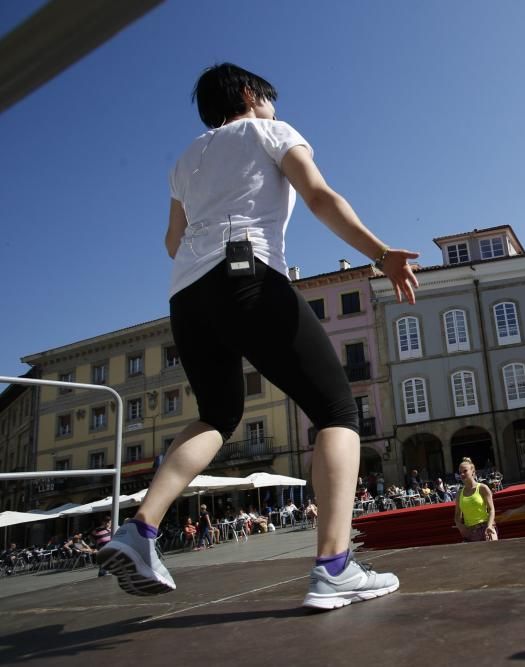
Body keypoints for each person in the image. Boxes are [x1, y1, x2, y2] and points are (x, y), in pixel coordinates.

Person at [97, 63, 417, 611]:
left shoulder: (185, 160)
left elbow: (173, 240)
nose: (273, 106)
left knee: (218, 415)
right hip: (244, 273)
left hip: (186, 295)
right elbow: (318, 196)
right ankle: (334, 567)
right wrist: (381, 254)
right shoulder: (271, 130)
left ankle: (141, 529)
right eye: (267, 98)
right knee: (339, 411)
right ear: (250, 95)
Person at [453, 458, 498, 542]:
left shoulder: (482, 488)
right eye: (460, 472)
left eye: (465, 471)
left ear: (473, 472)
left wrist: (489, 526)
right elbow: (457, 515)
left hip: (486, 528)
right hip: (470, 532)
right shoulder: (459, 494)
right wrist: (460, 527)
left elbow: (491, 509)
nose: (462, 474)